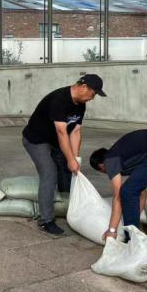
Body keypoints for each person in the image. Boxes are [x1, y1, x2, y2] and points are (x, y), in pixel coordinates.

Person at [22, 74, 106, 235]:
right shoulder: (59, 99)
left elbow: (75, 131)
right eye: (93, 93)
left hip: (55, 141)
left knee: (68, 170)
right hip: (36, 140)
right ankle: (46, 221)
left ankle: (69, 207)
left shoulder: (81, 104)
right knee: (49, 173)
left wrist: (75, 158)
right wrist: (70, 159)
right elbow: (61, 132)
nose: (93, 98)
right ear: (84, 87)